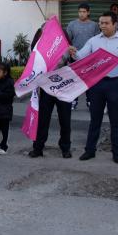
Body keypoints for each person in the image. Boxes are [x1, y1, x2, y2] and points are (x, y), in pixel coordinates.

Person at [69, 11, 118, 164]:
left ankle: (116, 153)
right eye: (100, 23)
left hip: (115, 84)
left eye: (106, 23)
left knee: (115, 120)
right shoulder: (93, 41)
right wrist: (74, 53)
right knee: (95, 119)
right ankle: (89, 151)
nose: (102, 26)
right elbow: (81, 56)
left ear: (114, 24)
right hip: (96, 84)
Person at [29, 28, 73, 159]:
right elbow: (33, 62)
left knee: (65, 119)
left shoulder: (66, 45)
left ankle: (65, 148)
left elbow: (69, 60)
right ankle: (38, 147)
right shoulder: (38, 48)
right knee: (42, 119)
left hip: (63, 86)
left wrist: (67, 53)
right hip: (45, 87)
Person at [66, 3, 99, 110]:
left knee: (89, 81)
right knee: (74, 80)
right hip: (75, 58)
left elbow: (98, 41)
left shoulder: (94, 25)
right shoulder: (72, 24)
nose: (81, 14)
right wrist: (70, 50)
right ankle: (73, 101)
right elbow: (67, 41)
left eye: (84, 12)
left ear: (88, 12)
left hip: (90, 58)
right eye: (80, 12)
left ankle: (90, 101)